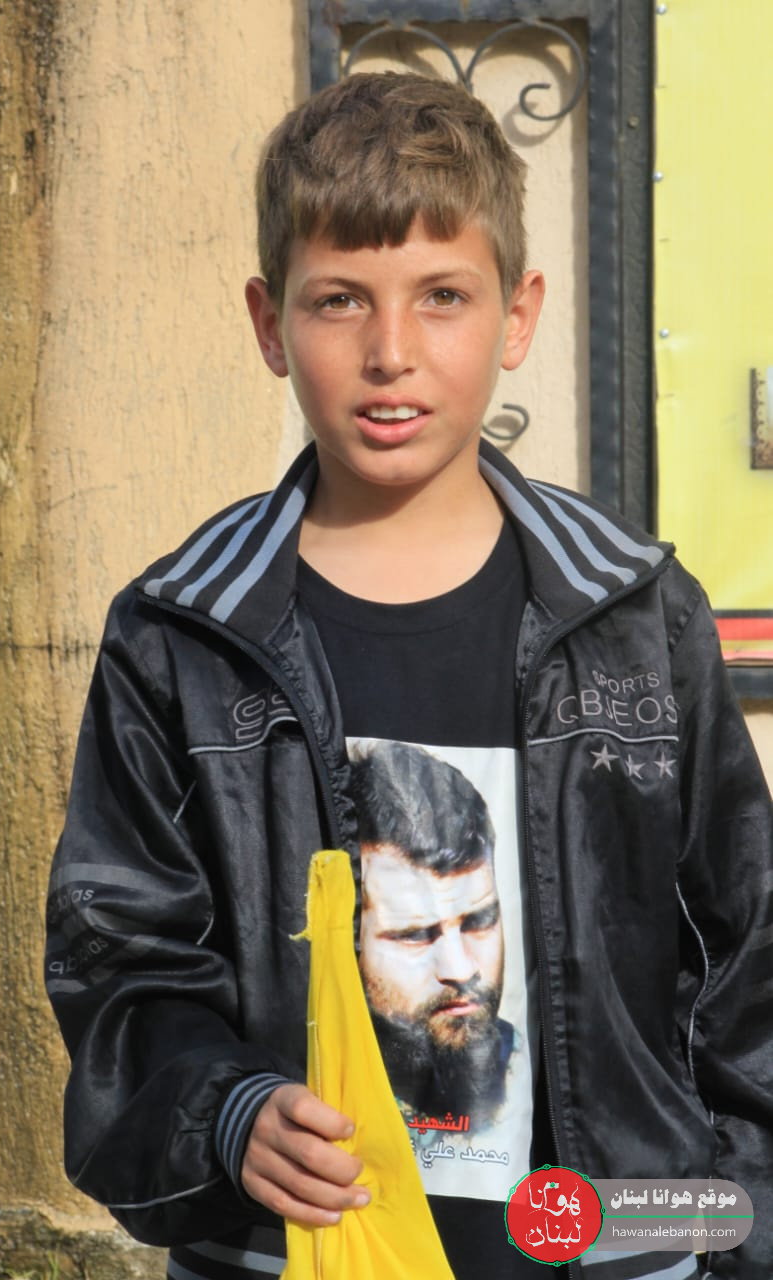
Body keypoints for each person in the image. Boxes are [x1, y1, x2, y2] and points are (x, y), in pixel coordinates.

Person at [45, 71, 773, 1280]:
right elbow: (121, 964)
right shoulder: (181, 634)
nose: (391, 353)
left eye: (443, 296)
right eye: (339, 300)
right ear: (269, 322)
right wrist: (227, 1111)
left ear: (517, 314)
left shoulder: (639, 617)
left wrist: (726, 1234)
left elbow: (745, 974)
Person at [350, 740, 515, 1130]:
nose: (460, 969)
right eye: (415, 935)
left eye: (479, 921)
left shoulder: (548, 1073)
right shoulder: (306, 1080)